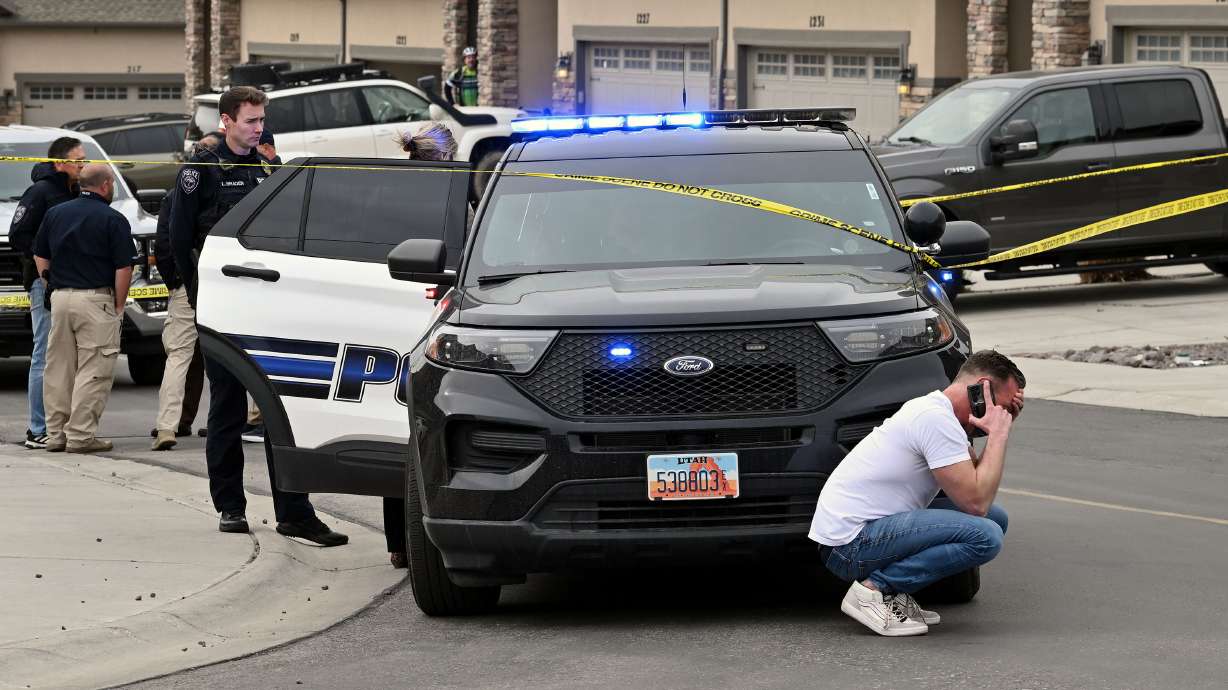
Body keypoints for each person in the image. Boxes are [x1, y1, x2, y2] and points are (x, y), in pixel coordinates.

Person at [169, 86, 347, 546]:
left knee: (279, 411)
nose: (258, 128)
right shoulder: (202, 170)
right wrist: (196, 292)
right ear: (226, 120)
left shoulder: (269, 166)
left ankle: (294, 512)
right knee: (227, 410)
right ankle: (230, 506)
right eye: (250, 120)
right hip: (222, 307)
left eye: (261, 119)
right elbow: (177, 234)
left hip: (269, 309)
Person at [809, 350, 1026, 636]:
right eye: (1003, 406)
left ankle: (893, 593)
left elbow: (978, 482)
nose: (1003, 415)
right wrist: (999, 434)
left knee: (996, 519)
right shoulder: (934, 419)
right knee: (986, 535)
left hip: (867, 532)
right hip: (850, 546)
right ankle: (873, 591)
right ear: (981, 389)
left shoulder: (939, 413)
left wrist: (998, 429)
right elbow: (976, 502)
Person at [383, 122, 459, 569]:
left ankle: (398, 543)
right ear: (448, 155)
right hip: (434, 322)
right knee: (428, 429)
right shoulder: (452, 194)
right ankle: (434, 534)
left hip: (389, 317)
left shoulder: (390, 192)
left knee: (394, 432)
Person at [33, 164, 136, 454]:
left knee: (59, 370)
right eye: (112, 183)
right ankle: (80, 436)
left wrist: (48, 283)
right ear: (104, 185)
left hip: (61, 298)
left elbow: (40, 253)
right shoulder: (113, 219)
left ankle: (56, 435)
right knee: (95, 369)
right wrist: (117, 305)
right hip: (95, 300)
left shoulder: (56, 213)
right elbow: (123, 267)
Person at [8, 137, 86, 449]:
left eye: (84, 159)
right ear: (59, 163)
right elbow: (18, 234)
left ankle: (61, 426)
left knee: (70, 357)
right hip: (45, 283)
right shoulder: (40, 192)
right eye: (77, 159)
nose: (82, 164)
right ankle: (37, 428)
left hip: (75, 282)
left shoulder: (75, 190)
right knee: (44, 354)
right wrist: (45, 262)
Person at [150, 131, 222, 450]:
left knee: (179, 356)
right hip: (226, 284)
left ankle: (168, 425)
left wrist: (176, 281)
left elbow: (165, 242)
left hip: (187, 283)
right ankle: (246, 418)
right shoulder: (237, 189)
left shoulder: (177, 192)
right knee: (232, 356)